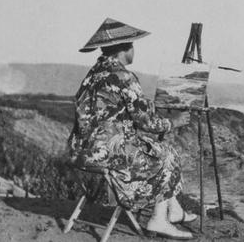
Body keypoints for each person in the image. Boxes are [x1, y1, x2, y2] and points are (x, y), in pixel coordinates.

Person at [68, 18, 196, 240]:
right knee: (166, 153)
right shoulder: (123, 76)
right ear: (125, 49)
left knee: (155, 149)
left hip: (79, 150)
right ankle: (159, 219)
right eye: (132, 46)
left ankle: (174, 211)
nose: (134, 50)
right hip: (106, 154)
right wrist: (173, 121)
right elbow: (147, 122)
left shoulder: (93, 74)